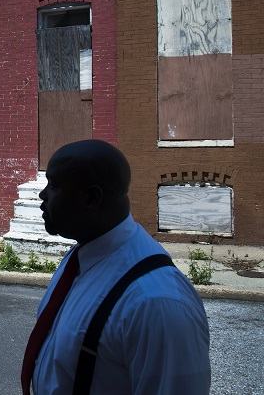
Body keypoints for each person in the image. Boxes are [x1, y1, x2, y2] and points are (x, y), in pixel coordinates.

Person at [21, 139, 210, 395]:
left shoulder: (157, 304)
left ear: (91, 198)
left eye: (53, 185)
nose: (42, 195)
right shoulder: (81, 257)